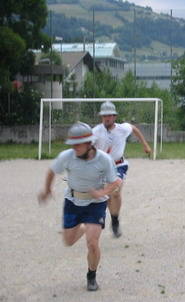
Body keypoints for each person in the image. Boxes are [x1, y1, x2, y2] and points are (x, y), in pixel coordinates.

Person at [38, 122, 122, 291]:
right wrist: (47, 190)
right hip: (72, 202)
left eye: (78, 144)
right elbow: (51, 171)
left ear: (89, 143)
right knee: (68, 241)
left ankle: (91, 276)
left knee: (92, 243)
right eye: (72, 144)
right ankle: (83, 227)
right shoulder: (67, 156)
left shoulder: (104, 160)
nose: (74, 148)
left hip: (95, 204)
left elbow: (116, 182)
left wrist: (102, 192)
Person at [92, 101, 152, 238]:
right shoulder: (95, 131)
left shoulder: (123, 128)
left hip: (119, 165)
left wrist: (145, 145)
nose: (107, 118)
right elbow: (87, 147)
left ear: (115, 116)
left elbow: (134, 129)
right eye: (104, 116)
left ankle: (114, 220)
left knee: (115, 192)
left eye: (109, 115)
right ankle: (109, 216)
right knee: (106, 195)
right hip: (101, 167)